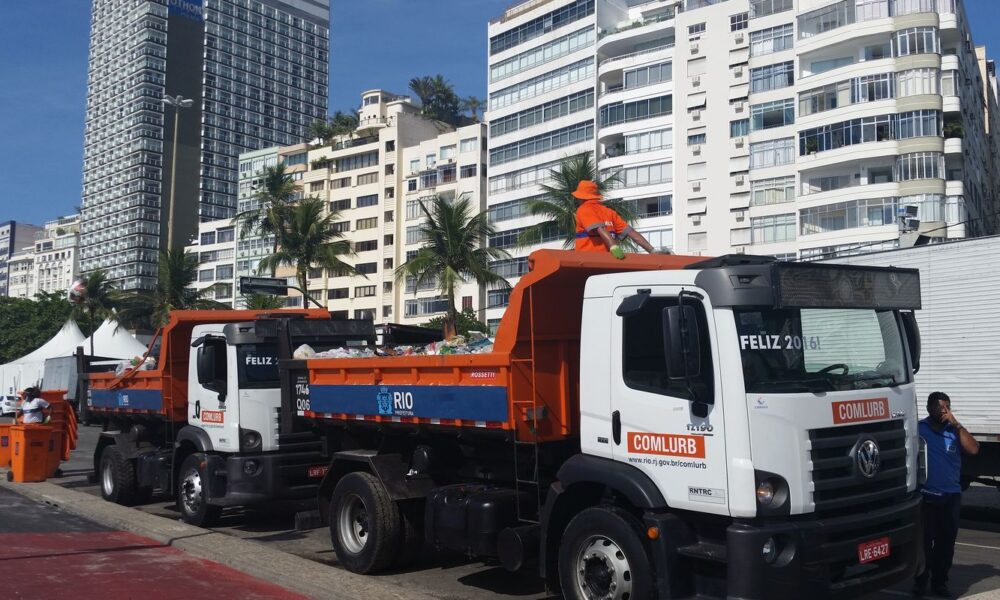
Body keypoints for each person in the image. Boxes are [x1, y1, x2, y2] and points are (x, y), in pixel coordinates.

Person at [914, 391, 979, 598]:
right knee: (924, 545)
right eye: (939, 407)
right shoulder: (919, 429)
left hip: (950, 497)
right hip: (926, 497)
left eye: (946, 407)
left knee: (946, 544)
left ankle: (939, 583)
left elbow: (974, 449)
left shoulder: (955, 430)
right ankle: (920, 583)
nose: (943, 411)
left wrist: (957, 424)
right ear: (928, 408)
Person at [572, 180, 667, 259]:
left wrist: (613, 247)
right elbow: (632, 233)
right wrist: (652, 250)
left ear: (581, 197)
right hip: (609, 259)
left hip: (587, 259)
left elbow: (600, 229)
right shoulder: (610, 212)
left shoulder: (583, 209)